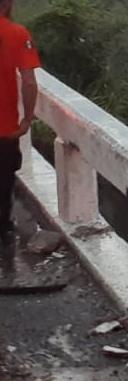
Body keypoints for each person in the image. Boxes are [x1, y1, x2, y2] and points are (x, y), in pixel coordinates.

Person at [0, 0, 40, 239]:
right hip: (4, 129)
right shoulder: (17, 33)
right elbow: (29, 82)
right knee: (3, 182)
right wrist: (27, 119)